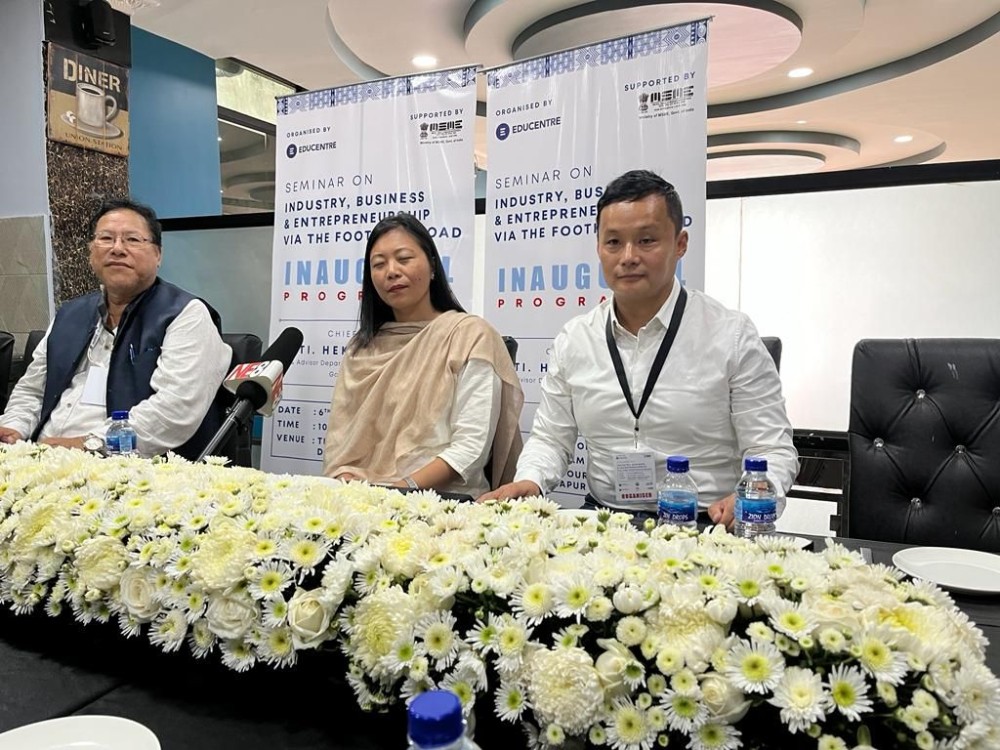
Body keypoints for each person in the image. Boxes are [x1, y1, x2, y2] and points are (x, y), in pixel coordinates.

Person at [481, 170, 798, 527]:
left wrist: (748, 498)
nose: (628, 256)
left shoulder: (731, 336)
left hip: (704, 525)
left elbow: (771, 449)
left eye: (646, 240)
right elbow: (552, 437)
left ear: (680, 244)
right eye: (613, 242)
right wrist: (531, 480)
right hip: (604, 523)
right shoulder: (575, 339)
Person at [0, 198, 232, 459]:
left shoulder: (186, 315)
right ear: (91, 252)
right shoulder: (69, 314)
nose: (117, 249)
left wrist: (90, 445)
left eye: (132, 240)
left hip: (128, 472)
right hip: (40, 461)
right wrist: (14, 428)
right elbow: (33, 390)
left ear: (158, 254)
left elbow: (174, 410)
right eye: (106, 238)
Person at [323, 213, 523, 498]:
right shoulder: (361, 348)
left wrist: (400, 490)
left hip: (443, 502)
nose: (391, 271)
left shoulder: (469, 336)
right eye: (378, 264)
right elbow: (338, 442)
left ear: (432, 267)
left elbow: (470, 448)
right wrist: (348, 484)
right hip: (360, 500)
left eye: (403, 259)